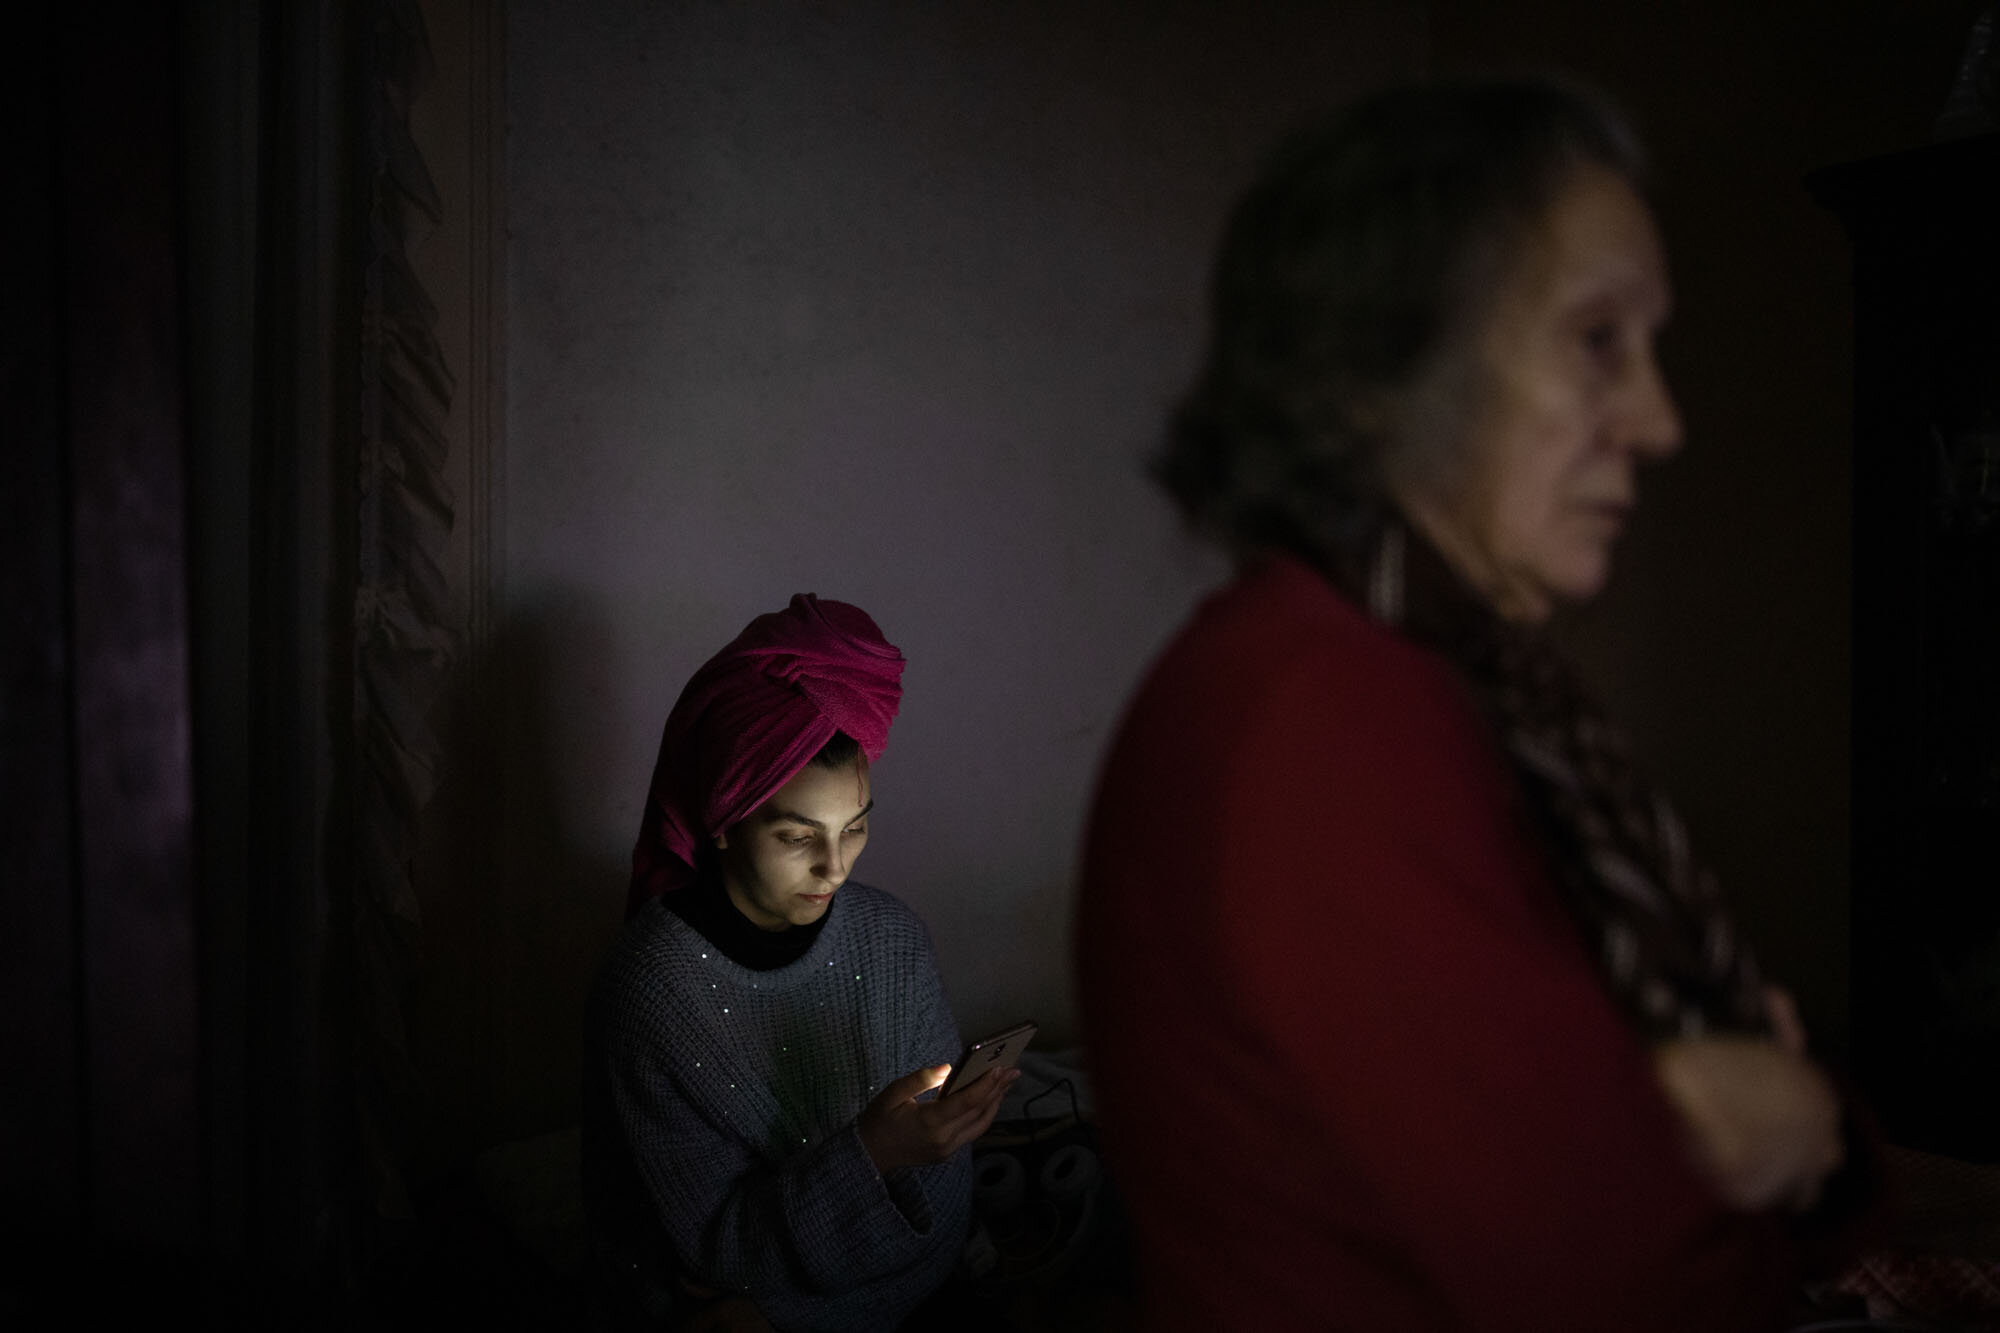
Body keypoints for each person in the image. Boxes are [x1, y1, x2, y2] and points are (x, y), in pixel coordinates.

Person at [1076, 79, 1874, 1331]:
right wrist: (1761, 1123)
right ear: (1384, 364)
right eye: (1597, 338)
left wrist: (1756, 1119)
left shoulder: (1435, 682)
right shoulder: (1321, 715)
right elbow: (1632, 1285)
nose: (1659, 422)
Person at [583, 595, 1015, 1332]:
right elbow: (717, 1251)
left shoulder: (892, 939)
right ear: (722, 823)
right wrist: (873, 1153)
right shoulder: (653, 990)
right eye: (797, 836)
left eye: (856, 828)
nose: (835, 867)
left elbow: (938, 1222)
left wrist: (792, 1316)